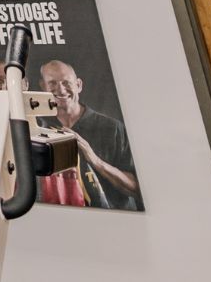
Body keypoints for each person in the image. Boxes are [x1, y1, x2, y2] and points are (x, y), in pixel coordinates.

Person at [38, 60, 140, 210]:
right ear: (43, 87)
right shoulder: (37, 129)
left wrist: (94, 160)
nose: (60, 89)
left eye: (66, 82)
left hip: (113, 223)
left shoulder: (113, 128)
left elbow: (137, 189)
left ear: (78, 85)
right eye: (52, 83)